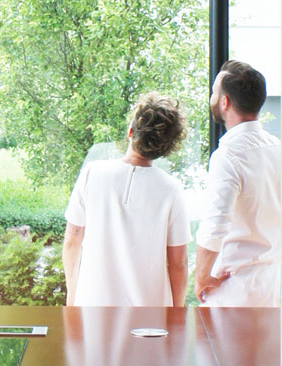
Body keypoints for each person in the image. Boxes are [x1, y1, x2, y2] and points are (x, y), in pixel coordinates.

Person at [63, 94, 191, 307]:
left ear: (131, 131)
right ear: (166, 148)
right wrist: (177, 314)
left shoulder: (92, 173)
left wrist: (72, 299)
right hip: (150, 315)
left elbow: (72, 241)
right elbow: (179, 263)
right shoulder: (171, 190)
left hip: (93, 310)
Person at [195, 59, 281, 307]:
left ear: (225, 102)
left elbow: (215, 224)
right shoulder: (279, 149)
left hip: (233, 291)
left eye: (214, 92)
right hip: (272, 288)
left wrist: (201, 276)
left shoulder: (228, 155)